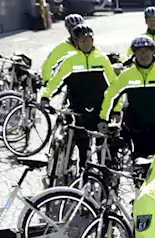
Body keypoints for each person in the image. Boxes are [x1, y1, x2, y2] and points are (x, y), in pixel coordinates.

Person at [41, 25, 116, 169]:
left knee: (102, 147)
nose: (86, 43)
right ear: (76, 42)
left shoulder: (102, 59)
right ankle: (83, 175)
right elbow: (56, 81)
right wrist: (46, 96)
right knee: (82, 145)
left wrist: (115, 108)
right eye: (82, 40)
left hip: (100, 110)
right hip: (79, 109)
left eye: (89, 40)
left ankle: (104, 179)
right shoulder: (70, 61)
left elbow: (114, 85)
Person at [101, 37, 155, 159]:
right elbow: (110, 96)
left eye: (146, 51)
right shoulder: (126, 75)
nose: (143, 55)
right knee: (139, 167)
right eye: (139, 51)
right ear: (134, 54)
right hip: (137, 129)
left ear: (153, 52)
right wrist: (104, 118)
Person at [41, 13, 84, 82]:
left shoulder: (89, 45)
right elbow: (48, 66)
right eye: (73, 29)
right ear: (69, 30)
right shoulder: (61, 48)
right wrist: (47, 80)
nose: (76, 31)